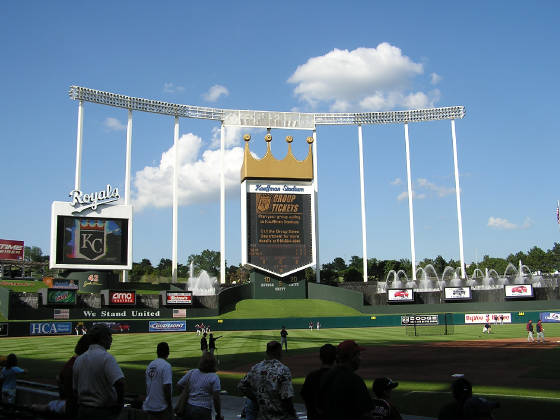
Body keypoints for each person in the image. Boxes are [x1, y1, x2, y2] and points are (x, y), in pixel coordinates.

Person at [73, 323, 125, 419]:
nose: (111, 339)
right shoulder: (107, 358)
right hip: (102, 412)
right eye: (109, 336)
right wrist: (119, 405)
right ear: (102, 338)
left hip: (82, 411)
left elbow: (75, 390)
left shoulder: (79, 359)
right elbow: (120, 382)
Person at [32, 334, 91, 417]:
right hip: (75, 408)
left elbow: (59, 379)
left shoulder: (71, 363)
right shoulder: (78, 365)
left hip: (68, 405)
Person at [238, 341, 297, 420]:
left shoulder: (256, 368)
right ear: (280, 352)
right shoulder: (283, 370)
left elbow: (241, 386)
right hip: (279, 416)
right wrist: (293, 414)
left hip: (262, 416)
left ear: (267, 352)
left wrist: (257, 398)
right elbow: (286, 397)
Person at [317, 340, 372, 420]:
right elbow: (366, 414)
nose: (361, 358)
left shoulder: (326, 376)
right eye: (358, 355)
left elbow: (319, 408)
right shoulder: (355, 380)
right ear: (351, 357)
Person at [175, 352, 223, 420]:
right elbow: (216, 398)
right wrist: (218, 413)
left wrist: (188, 393)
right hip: (204, 410)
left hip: (189, 407)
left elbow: (178, 385)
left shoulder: (192, 372)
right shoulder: (214, 377)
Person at [300, 344, 336, 420]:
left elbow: (304, 395)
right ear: (336, 358)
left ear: (320, 358)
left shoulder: (311, 376)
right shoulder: (342, 377)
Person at [142, 342, 173, 419]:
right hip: (161, 408)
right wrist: (169, 405)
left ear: (157, 352)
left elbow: (147, 385)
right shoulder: (166, 366)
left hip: (149, 406)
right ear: (168, 352)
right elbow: (167, 387)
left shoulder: (150, 365)